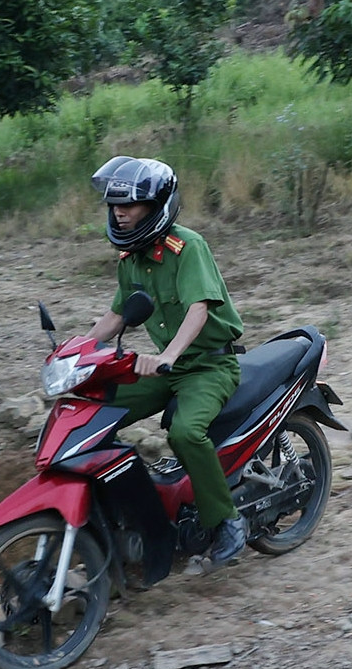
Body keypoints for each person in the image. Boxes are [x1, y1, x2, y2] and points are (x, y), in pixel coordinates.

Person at [85, 156, 247, 568]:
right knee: (95, 411)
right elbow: (118, 314)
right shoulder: (131, 258)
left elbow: (199, 308)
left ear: (157, 207)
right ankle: (122, 509)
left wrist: (169, 355)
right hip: (162, 368)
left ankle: (226, 520)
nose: (119, 213)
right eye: (114, 205)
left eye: (130, 205)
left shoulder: (188, 246)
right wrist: (77, 349)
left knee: (186, 432)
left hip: (207, 365)